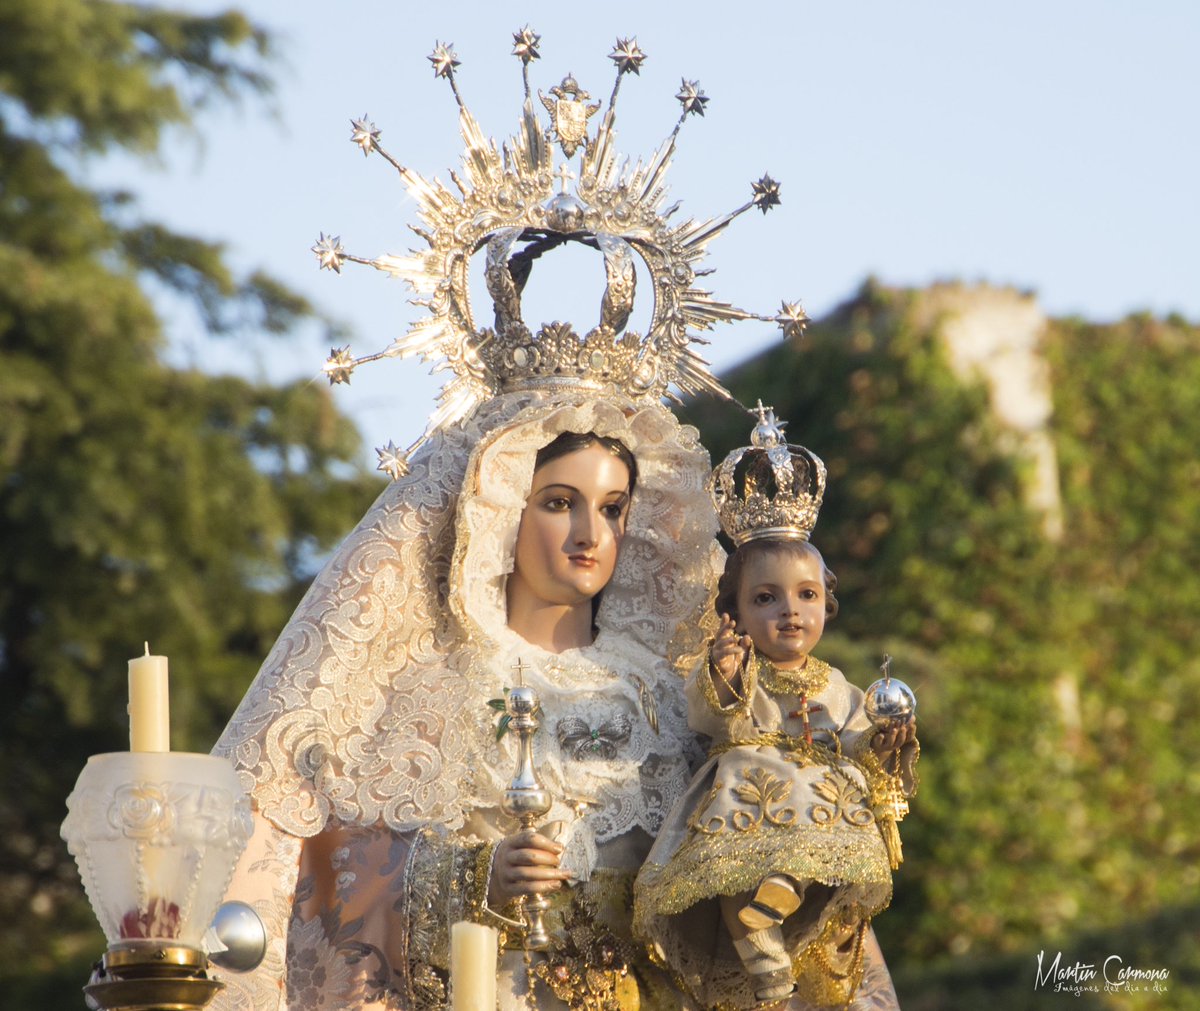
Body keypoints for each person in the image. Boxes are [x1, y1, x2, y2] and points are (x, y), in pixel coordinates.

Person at [634, 418, 918, 1009]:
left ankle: (790, 883)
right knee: (737, 890)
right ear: (734, 611)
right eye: (766, 599)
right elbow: (714, 722)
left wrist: (883, 747)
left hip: (818, 807)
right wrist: (727, 676)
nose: (790, 612)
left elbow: (859, 741)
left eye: (806, 595)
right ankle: (767, 973)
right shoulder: (741, 667)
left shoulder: (835, 684)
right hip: (747, 799)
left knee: (826, 808)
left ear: (826, 600)